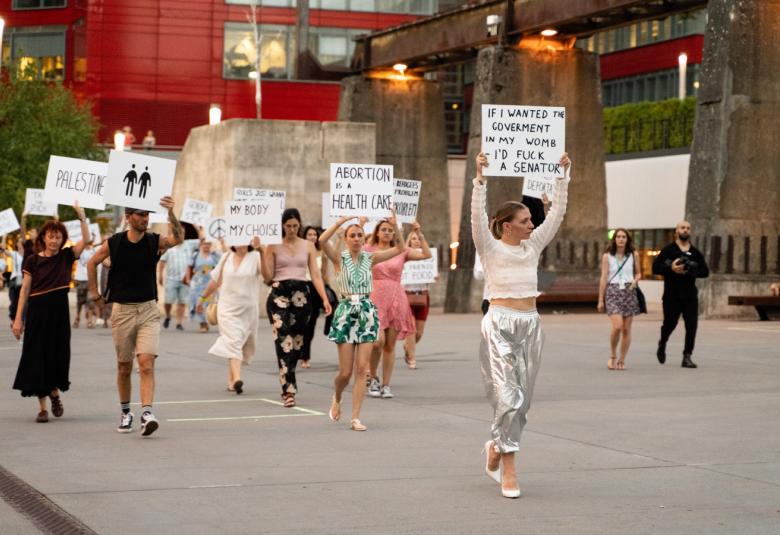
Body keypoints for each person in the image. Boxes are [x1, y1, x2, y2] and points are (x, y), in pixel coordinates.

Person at [473, 151, 571, 499]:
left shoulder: (533, 246)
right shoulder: (489, 247)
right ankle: (510, 469)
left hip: (530, 325)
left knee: (523, 402)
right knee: (508, 397)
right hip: (499, 323)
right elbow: (477, 218)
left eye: (531, 220)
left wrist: (562, 177)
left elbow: (556, 215)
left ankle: (496, 446)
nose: (532, 224)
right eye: (526, 220)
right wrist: (480, 180)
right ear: (507, 225)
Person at [87, 198, 183, 437]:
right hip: (123, 312)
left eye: (147, 214)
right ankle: (126, 412)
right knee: (124, 367)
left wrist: (171, 212)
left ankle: (147, 413)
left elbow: (178, 238)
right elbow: (92, 262)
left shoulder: (154, 241)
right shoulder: (115, 243)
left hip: (148, 310)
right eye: (140, 214)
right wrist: (94, 293)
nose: (145, 218)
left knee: (146, 363)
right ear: (128, 217)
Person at [320, 215, 406, 431]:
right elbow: (322, 241)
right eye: (353, 235)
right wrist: (339, 223)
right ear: (346, 239)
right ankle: (337, 396)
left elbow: (400, 249)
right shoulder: (339, 258)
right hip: (346, 311)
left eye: (360, 235)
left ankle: (355, 418)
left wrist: (395, 225)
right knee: (345, 372)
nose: (357, 238)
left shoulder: (370, 258)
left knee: (361, 369)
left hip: (366, 311)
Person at [12, 206, 89, 422]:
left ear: (63, 239)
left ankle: (54, 392)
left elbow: (86, 239)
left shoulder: (66, 256)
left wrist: (81, 216)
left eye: (58, 237)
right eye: (50, 236)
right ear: (43, 238)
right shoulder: (32, 260)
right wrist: (18, 319)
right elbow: (24, 291)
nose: (54, 241)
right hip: (37, 313)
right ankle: (43, 408)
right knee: (37, 357)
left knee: (56, 356)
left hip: (59, 314)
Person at [261, 209, 331, 407]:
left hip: (302, 293)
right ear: (282, 226)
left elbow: (315, 275)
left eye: (295, 226)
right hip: (279, 293)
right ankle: (288, 390)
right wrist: (260, 253)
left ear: (299, 225)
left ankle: (289, 375)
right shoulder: (273, 244)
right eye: (288, 226)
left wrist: (325, 298)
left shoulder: (308, 245)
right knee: (284, 341)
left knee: (297, 343)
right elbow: (267, 277)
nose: (291, 229)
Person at [365, 220, 431, 399]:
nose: (387, 232)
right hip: (375, 297)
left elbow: (426, 254)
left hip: (395, 298)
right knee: (377, 342)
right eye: (384, 229)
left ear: (395, 233)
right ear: (377, 232)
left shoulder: (401, 251)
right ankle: (373, 377)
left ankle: (386, 384)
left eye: (390, 230)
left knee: (390, 345)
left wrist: (419, 233)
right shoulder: (368, 249)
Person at [198, 237, 263, 394]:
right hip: (227, 308)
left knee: (241, 343)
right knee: (233, 340)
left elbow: (268, 276)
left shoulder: (256, 257)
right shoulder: (226, 256)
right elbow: (215, 281)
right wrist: (203, 298)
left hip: (248, 310)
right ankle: (237, 379)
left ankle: (231, 381)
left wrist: (263, 249)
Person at [652, 220, 709, 369]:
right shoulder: (669, 250)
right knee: (670, 324)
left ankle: (687, 356)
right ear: (676, 231)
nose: (685, 230)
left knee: (692, 325)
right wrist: (671, 268)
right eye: (682, 228)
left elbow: (705, 272)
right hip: (672, 295)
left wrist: (692, 270)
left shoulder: (695, 252)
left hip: (690, 296)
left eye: (688, 228)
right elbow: (655, 268)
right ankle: (662, 342)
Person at [597, 229, 641, 370]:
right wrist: (600, 299)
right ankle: (613, 355)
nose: (621, 239)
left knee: (626, 329)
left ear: (627, 239)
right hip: (613, 291)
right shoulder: (607, 256)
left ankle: (622, 360)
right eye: (618, 237)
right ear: (614, 239)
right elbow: (603, 277)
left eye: (623, 237)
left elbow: (639, 273)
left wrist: (635, 280)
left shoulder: (633, 255)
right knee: (617, 326)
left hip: (629, 291)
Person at [401, 227, 434, 369]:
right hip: (407, 295)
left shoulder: (427, 256)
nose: (416, 241)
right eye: (414, 238)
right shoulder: (405, 256)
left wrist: (433, 276)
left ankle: (407, 346)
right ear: (409, 241)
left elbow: (429, 274)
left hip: (423, 296)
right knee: (411, 329)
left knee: (419, 333)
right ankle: (412, 358)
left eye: (419, 239)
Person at [300, 225, 328, 368]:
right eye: (309, 234)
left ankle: (305, 357)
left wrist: (326, 293)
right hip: (302, 288)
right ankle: (297, 350)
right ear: (304, 236)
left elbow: (323, 274)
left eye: (314, 235)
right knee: (300, 324)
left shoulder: (321, 252)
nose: (312, 237)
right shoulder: (299, 251)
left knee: (311, 324)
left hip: (316, 288)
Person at [187, 239, 222, 333]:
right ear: (201, 244)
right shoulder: (195, 255)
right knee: (198, 302)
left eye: (208, 244)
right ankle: (202, 323)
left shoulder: (214, 255)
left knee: (208, 303)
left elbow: (221, 266)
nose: (206, 246)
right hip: (197, 284)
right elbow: (189, 267)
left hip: (210, 283)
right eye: (204, 244)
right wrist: (188, 279)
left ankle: (208, 320)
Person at [158, 242, 191, 330]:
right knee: (168, 301)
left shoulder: (188, 246)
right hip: (171, 279)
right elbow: (162, 262)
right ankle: (168, 315)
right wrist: (160, 275)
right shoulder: (169, 248)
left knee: (182, 301)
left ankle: (179, 323)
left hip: (184, 279)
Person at [73, 239, 96, 328]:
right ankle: (77, 317)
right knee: (80, 301)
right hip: (80, 279)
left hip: (90, 279)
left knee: (90, 301)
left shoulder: (93, 251)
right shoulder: (80, 250)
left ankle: (89, 320)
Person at [7, 238, 25, 329]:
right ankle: (13, 319)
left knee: (23, 302)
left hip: (23, 280)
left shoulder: (28, 254)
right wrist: (4, 237)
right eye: (18, 241)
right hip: (14, 280)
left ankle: (21, 321)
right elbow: (4, 250)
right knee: (13, 301)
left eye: (20, 241)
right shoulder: (14, 253)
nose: (19, 242)